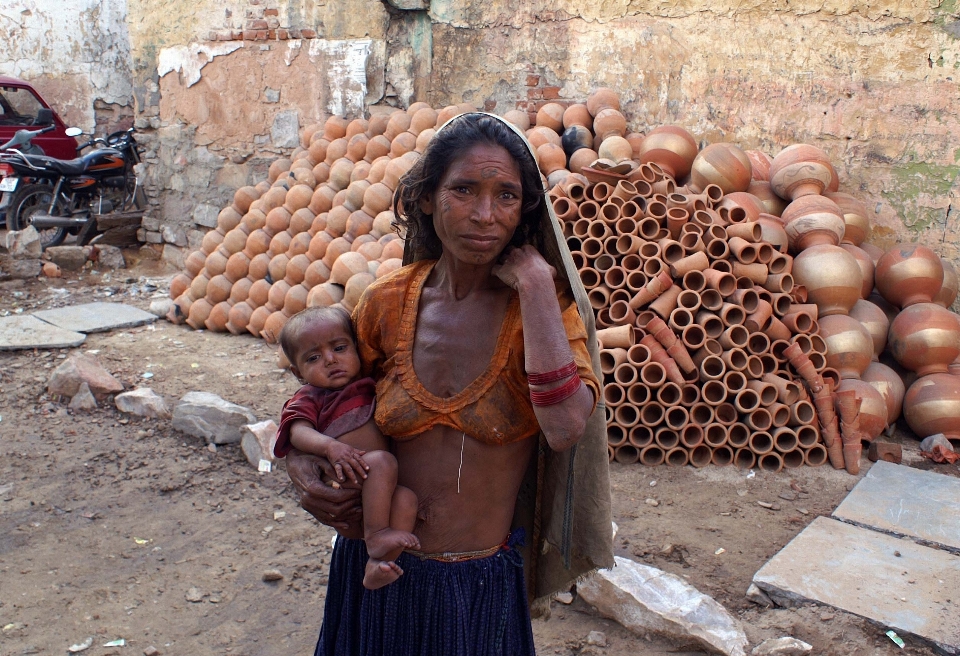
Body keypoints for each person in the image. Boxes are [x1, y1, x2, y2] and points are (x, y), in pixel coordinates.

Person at [285, 112, 614, 656]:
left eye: (506, 196)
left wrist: (534, 285)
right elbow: (328, 395)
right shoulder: (386, 303)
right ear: (425, 199)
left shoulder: (542, 315)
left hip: (473, 588)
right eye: (463, 190)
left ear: (524, 211)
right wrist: (298, 456)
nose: (485, 215)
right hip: (376, 571)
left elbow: (563, 427)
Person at [273, 306, 420, 590]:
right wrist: (330, 448)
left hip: (377, 492)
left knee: (406, 501)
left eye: (340, 348)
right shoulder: (310, 397)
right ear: (297, 372)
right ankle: (377, 534)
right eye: (313, 357)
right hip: (344, 479)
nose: (330, 360)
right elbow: (297, 431)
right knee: (382, 462)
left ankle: (376, 564)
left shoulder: (369, 386)